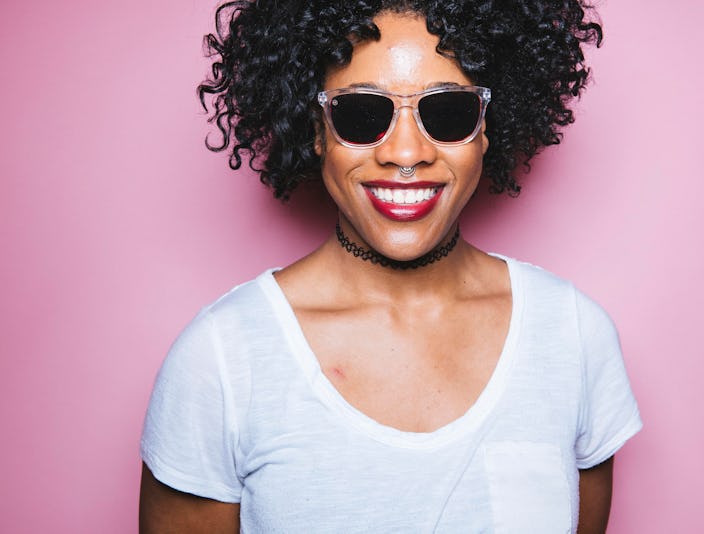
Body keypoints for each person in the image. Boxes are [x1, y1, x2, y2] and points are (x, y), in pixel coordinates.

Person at [139, 1, 642, 532]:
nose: (406, 152)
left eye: (448, 112)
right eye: (362, 115)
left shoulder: (573, 336)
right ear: (316, 132)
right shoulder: (221, 359)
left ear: (488, 129)